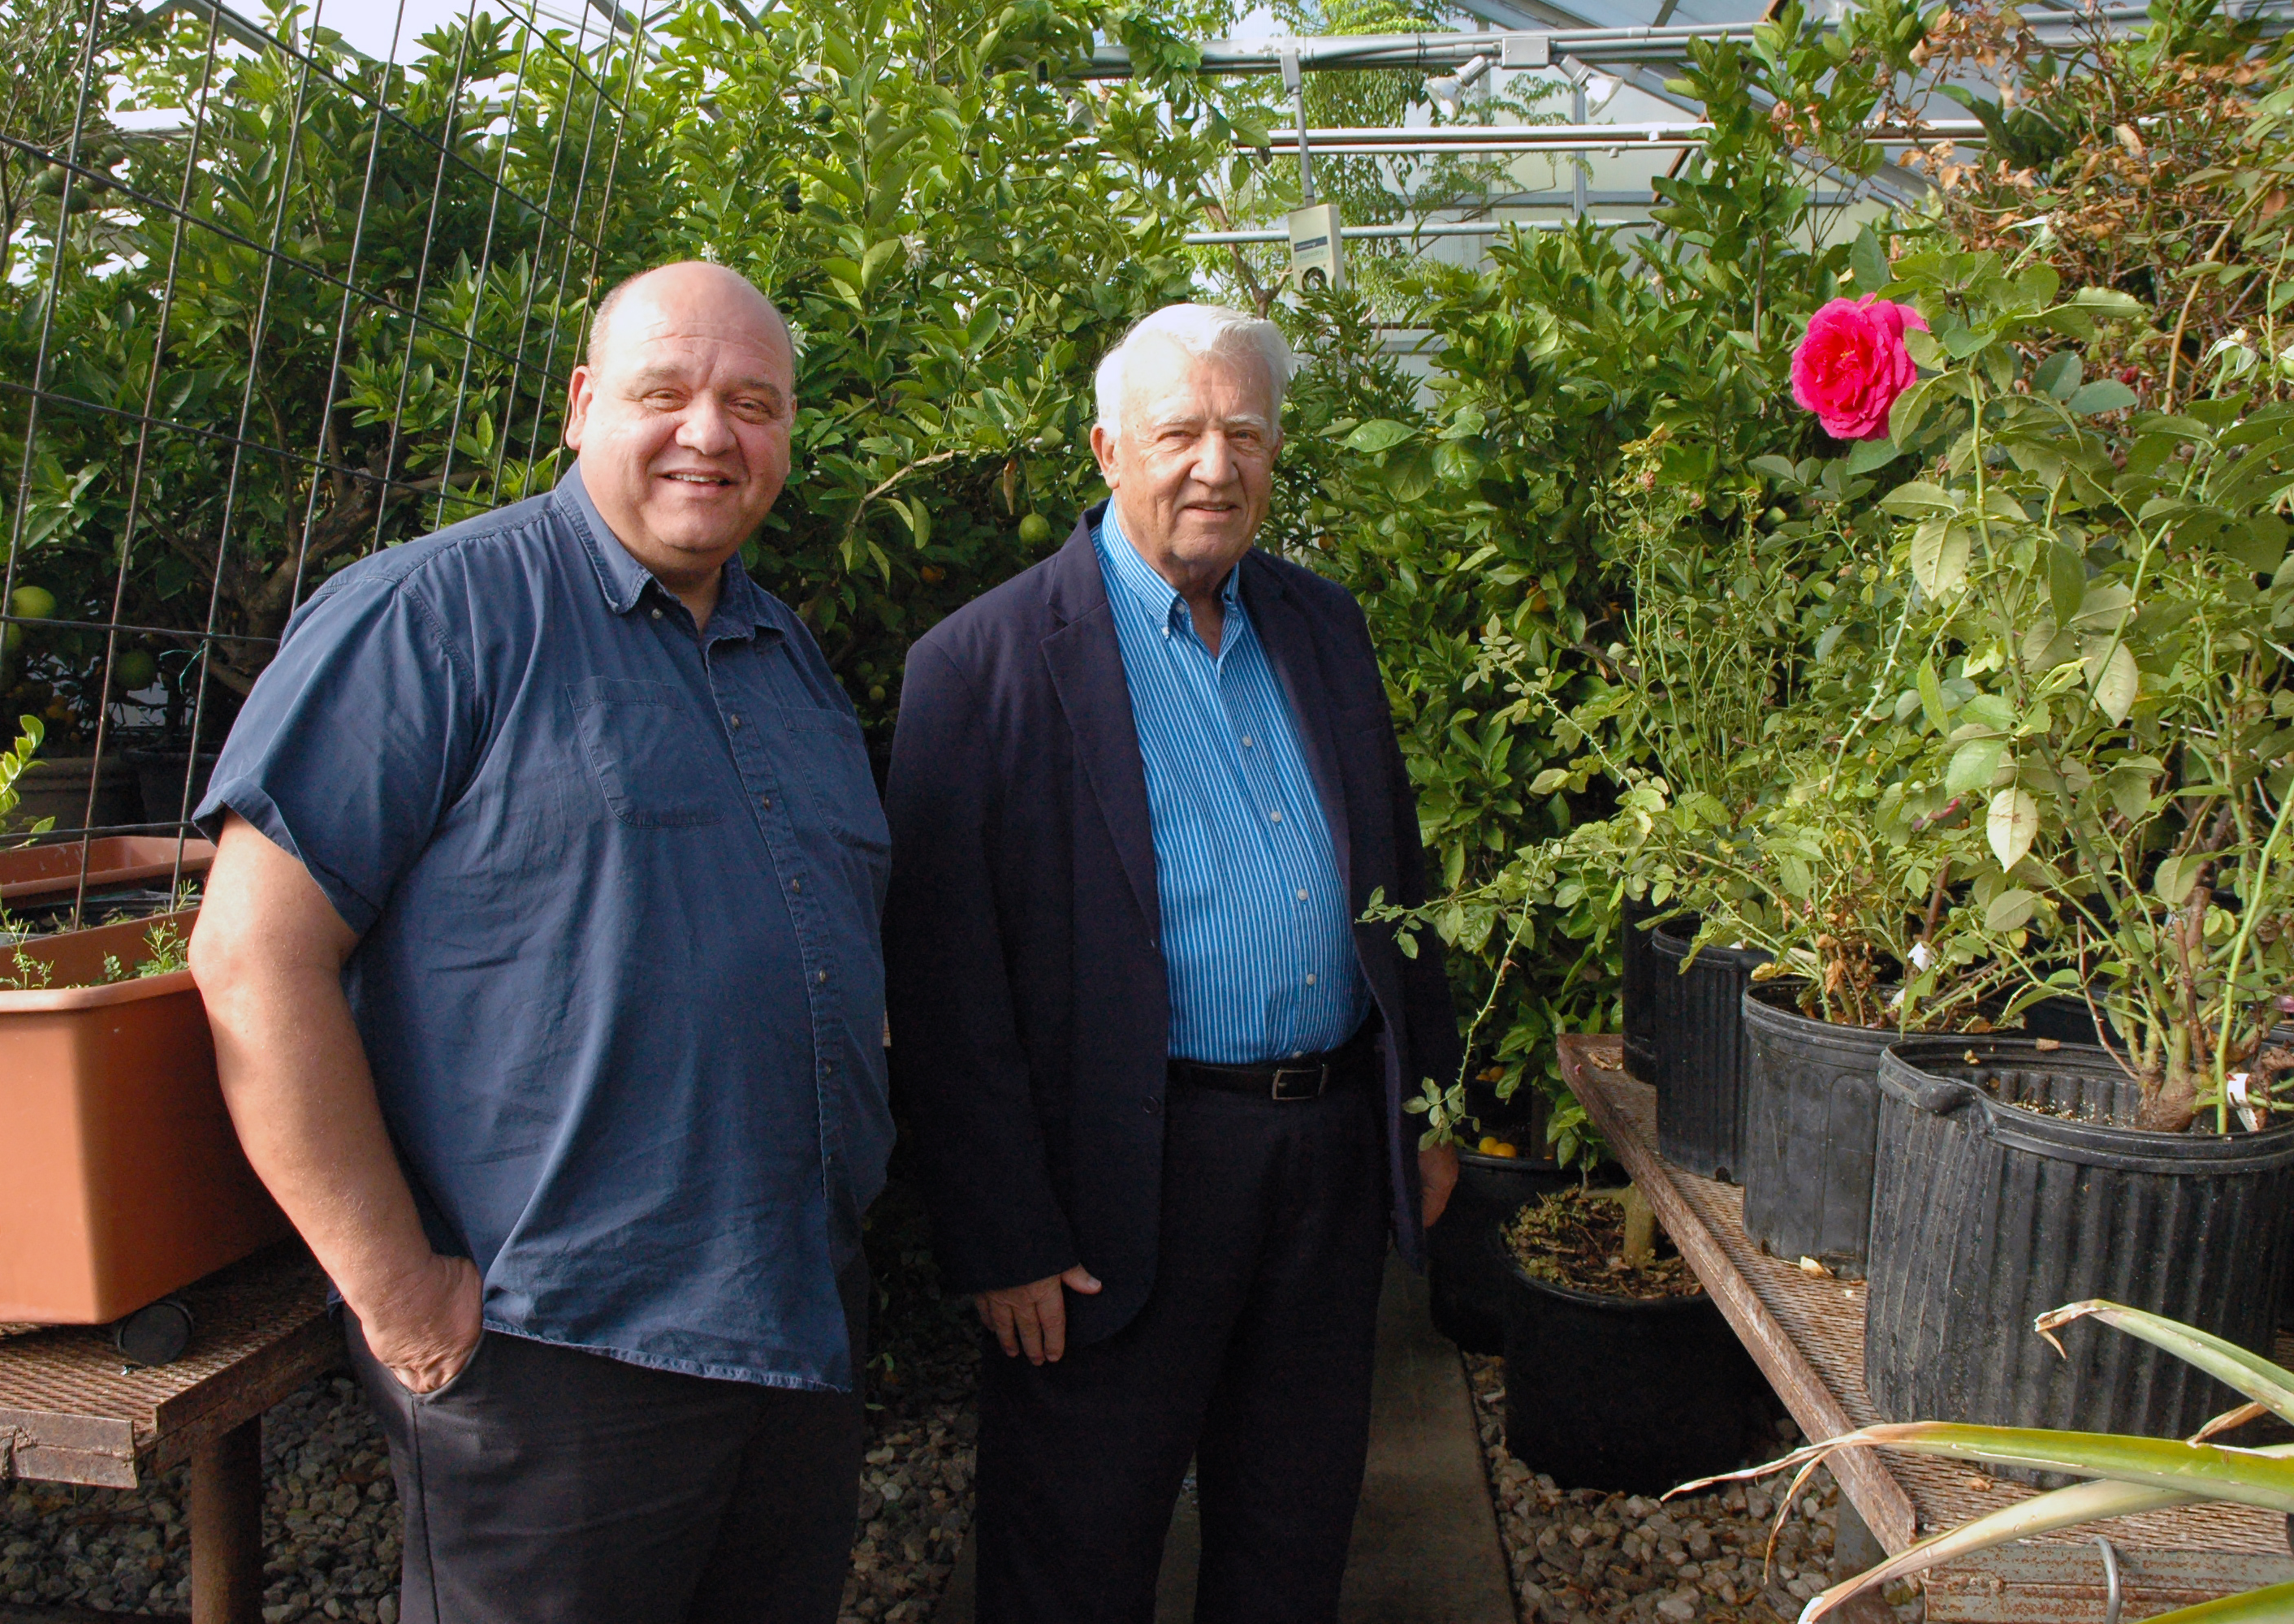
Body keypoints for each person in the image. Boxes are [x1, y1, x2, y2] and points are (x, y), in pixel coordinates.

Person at [188, 261, 890, 1624]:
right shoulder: (428, 617)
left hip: (797, 1315)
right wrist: (395, 1297)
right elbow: (251, 960)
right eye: (664, 392)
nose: (711, 433)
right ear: (579, 407)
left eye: (753, 404)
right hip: (553, 1349)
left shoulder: (781, 650)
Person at [882, 302, 1460, 1622]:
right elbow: (945, 982)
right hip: (1114, 1182)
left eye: (1244, 433)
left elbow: (1397, 885)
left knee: (1294, 1526)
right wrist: (1001, 1235)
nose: (1216, 464)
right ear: (1106, 448)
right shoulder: (978, 668)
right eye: (1181, 432)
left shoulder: (1324, 625)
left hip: (1322, 1162)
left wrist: (1426, 1112)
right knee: (1074, 1546)